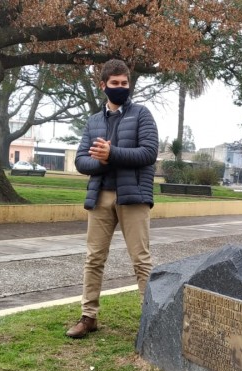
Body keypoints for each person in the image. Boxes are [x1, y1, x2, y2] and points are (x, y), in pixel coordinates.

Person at [66, 59, 159, 339]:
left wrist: (112, 153)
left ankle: (152, 321)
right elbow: (81, 161)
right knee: (94, 258)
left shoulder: (142, 115)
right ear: (103, 85)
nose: (120, 87)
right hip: (101, 196)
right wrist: (103, 161)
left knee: (141, 259)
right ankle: (88, 317)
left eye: (124, 83)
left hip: (134, 197)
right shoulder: (94, 121)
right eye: (115, 83)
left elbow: (149, 153)